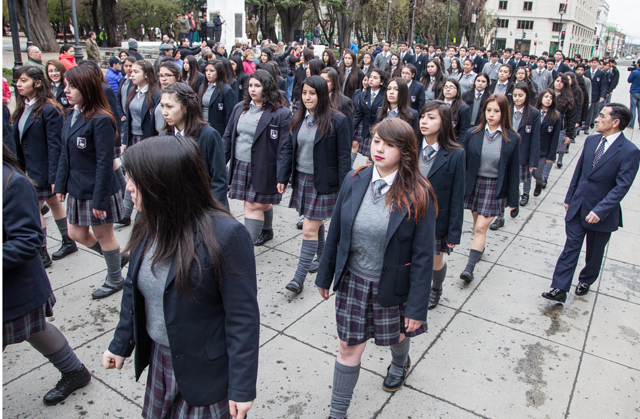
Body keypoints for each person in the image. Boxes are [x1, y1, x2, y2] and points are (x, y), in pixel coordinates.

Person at [102, 135, 259, 419]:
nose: (127, 188)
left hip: (206, 371)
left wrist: (242, 386)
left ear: (161, 183)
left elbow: (243, 317)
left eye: (134, 180)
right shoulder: (149, 218)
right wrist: (121, 343)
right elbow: (133, 287)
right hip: (161, 360)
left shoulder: (226, 235)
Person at [316, 118, 436, 418]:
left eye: (390, 144)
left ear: (405, 151)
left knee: (396, 336)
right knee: (348, 347)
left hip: (392, 285)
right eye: (377, 140)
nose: (380, 148)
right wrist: (325, 274)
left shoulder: (419, 193)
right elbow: (336, 233)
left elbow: (423, 256)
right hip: (354, 281)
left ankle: (399, 362)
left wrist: (416, 309)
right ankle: (337, 413)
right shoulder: (355, 178)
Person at [3, 144, 91, 405]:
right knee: (36, 330)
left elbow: (28, 241)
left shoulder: (11, 183)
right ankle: (75, 371)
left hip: (15, 287)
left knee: (35, 328)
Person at [542, 104, 640, 302]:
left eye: (602, 116)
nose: (596, 119)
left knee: (594, 253)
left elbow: (622, 187)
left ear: (615, 122)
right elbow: (579, 173)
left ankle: (586, 279)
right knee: (571, 247)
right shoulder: (592, 140)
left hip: (602, 213)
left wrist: (601, 210)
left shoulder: (630, 151)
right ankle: (559, 287)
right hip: (578, 206)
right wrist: (569, 198)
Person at [54, 66, 127, 299]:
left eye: (72, 86)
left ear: (86, 88)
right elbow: (65, 153)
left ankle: (115, 278)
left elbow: (105, 163)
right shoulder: (70, 114)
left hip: (98, 189)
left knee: (104, 235)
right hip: (77, 187)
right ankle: (117, 258)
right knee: (75, 233)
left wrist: (99, 199)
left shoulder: (101, 119)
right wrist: (60, 185)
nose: (66, 90)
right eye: (66, 85)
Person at [279, 76, 351, 293]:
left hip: (324, 183)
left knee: (310, 227)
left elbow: (344, 158)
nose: (307, 97)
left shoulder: (338, 120)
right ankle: (323, 260)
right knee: (315, 225)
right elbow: (289, 149)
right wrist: (282, 177)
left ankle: (298, 279)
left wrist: (345, 189)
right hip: (302, 180)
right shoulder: (298, 118)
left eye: (312, 93)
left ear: (322, 95)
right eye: (304, 93)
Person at [12, 66, 77, 266]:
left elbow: (55, 146)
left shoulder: (50, 108)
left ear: (38, 83)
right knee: (54, 205)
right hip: (28, 168)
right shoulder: (23, 106)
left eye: (23, 80)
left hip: (42, 170)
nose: (19, 84)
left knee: (32, 209)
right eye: (18, 80)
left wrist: (54, 178)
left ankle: (42, 252)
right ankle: (68, 241)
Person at [222, 70, 291, 246]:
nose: (252, 89)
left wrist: (282, 176)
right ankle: (266, 230)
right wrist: (220, 162)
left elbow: (284, 147)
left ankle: (244, 249)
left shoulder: (281, 113)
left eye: (257, 86)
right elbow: (229, 136)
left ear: (266, 88)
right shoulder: (240, 108)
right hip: (241, 165)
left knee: (253, 205)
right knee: (261, 202)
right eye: (250, 85)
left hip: (264, 167)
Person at [459, 94, 520, 282]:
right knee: (477, 222)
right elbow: (463, 161)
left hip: (495, 186)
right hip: (474, 184)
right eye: (488, 110)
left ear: (504, 113)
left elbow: (513, 170)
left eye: (496, 111)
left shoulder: (512, 138)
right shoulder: (473, 134)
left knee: (480, 228)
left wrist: (513, 201)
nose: (491, 114)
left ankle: (469, 268)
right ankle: (480, 248)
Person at [417, 101, 465, 309]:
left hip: (437, 218)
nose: (424, 122)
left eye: (431, 117)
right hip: (410, 214)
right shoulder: (411, 146)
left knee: (436, 261)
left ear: (444, 122)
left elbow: (457, 195)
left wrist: (454, 233)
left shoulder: (455, 154)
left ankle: (436, 288)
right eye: (423, 117)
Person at [159, 83, 228, 206]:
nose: (164, 112)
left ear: (185, 107)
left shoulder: (208, 135)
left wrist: (212, 210)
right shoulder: (164, 135)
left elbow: (219, 180)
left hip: (202, 206)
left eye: (169, 107)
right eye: (162, 106)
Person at [491, 82, 540, 229]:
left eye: (521, 95)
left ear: (526, 96)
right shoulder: (507, 110)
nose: (517, 98)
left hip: (522, 155)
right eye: (515, 95)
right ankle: (500, 217)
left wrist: (533, 161)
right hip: (505, 152)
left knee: (515, 183)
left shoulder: (533, 113)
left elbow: (535, 139)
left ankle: (515, 201)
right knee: (502, 185)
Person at [121, 60, 162, 226]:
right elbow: (128, 118)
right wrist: (125, 140)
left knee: (144, 175)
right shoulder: (133, 91)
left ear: (146, 74)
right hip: (133, 138)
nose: (132, 74)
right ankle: (125, 212)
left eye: (136, 71)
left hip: (147, 139)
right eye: (131, 71)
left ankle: (146, 208)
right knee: (131, 173)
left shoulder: (155, 94)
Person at [531, 88, 561, 194]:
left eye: (551, 98)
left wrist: (551, 156)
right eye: (546, 97)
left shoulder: (556, 116)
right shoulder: (533, 112)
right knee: (528, 173)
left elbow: (555, 137)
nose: (548, 100)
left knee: (537, 174)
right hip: (531, 148)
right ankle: (525, 194)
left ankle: (540, 182)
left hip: (544, 150)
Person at [353, 69, 386, 160]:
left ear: (382, 81)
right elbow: (358, 114)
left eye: (375, 78)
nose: (371, 79)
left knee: (373, 155)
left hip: (378, 128)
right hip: (365, 126)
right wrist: (351, 128)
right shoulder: (364, 93)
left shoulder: (385, 95)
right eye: (370, 77)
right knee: (357, 149)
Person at [200, 60, 236, 137]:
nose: (208, 73)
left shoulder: (226, 90)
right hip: (202, 127)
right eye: (206, 70)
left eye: (212, 71)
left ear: (219, 72)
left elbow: (229, 115)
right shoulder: (203, 87)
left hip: (218, 130)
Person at [550, 74, 577, 168]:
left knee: (554, 149)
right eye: (557, 81)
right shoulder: (547, 94)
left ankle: (545, 176)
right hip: (545, 126)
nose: (559, 84)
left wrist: (569, 134)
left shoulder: (568, 99)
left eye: (562, 82)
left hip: (559, 128)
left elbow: (571, 118)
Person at [584, 58, 609, 135]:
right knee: (587, 111)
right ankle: (585, 125)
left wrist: (602, 96)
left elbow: (603, 86)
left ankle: (588, 125)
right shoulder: (586, 72)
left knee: (592, 112)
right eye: (592, 62)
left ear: (598, 64)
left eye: (595, 62)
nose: (593, 64)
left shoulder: (601, 74)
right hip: (586, 94)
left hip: (595, 95)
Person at [629, 60, 640, 129]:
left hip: (634, 91)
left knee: (633, 108)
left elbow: (629, 80)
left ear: (638, 64)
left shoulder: (635, 72)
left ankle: (631, 124)